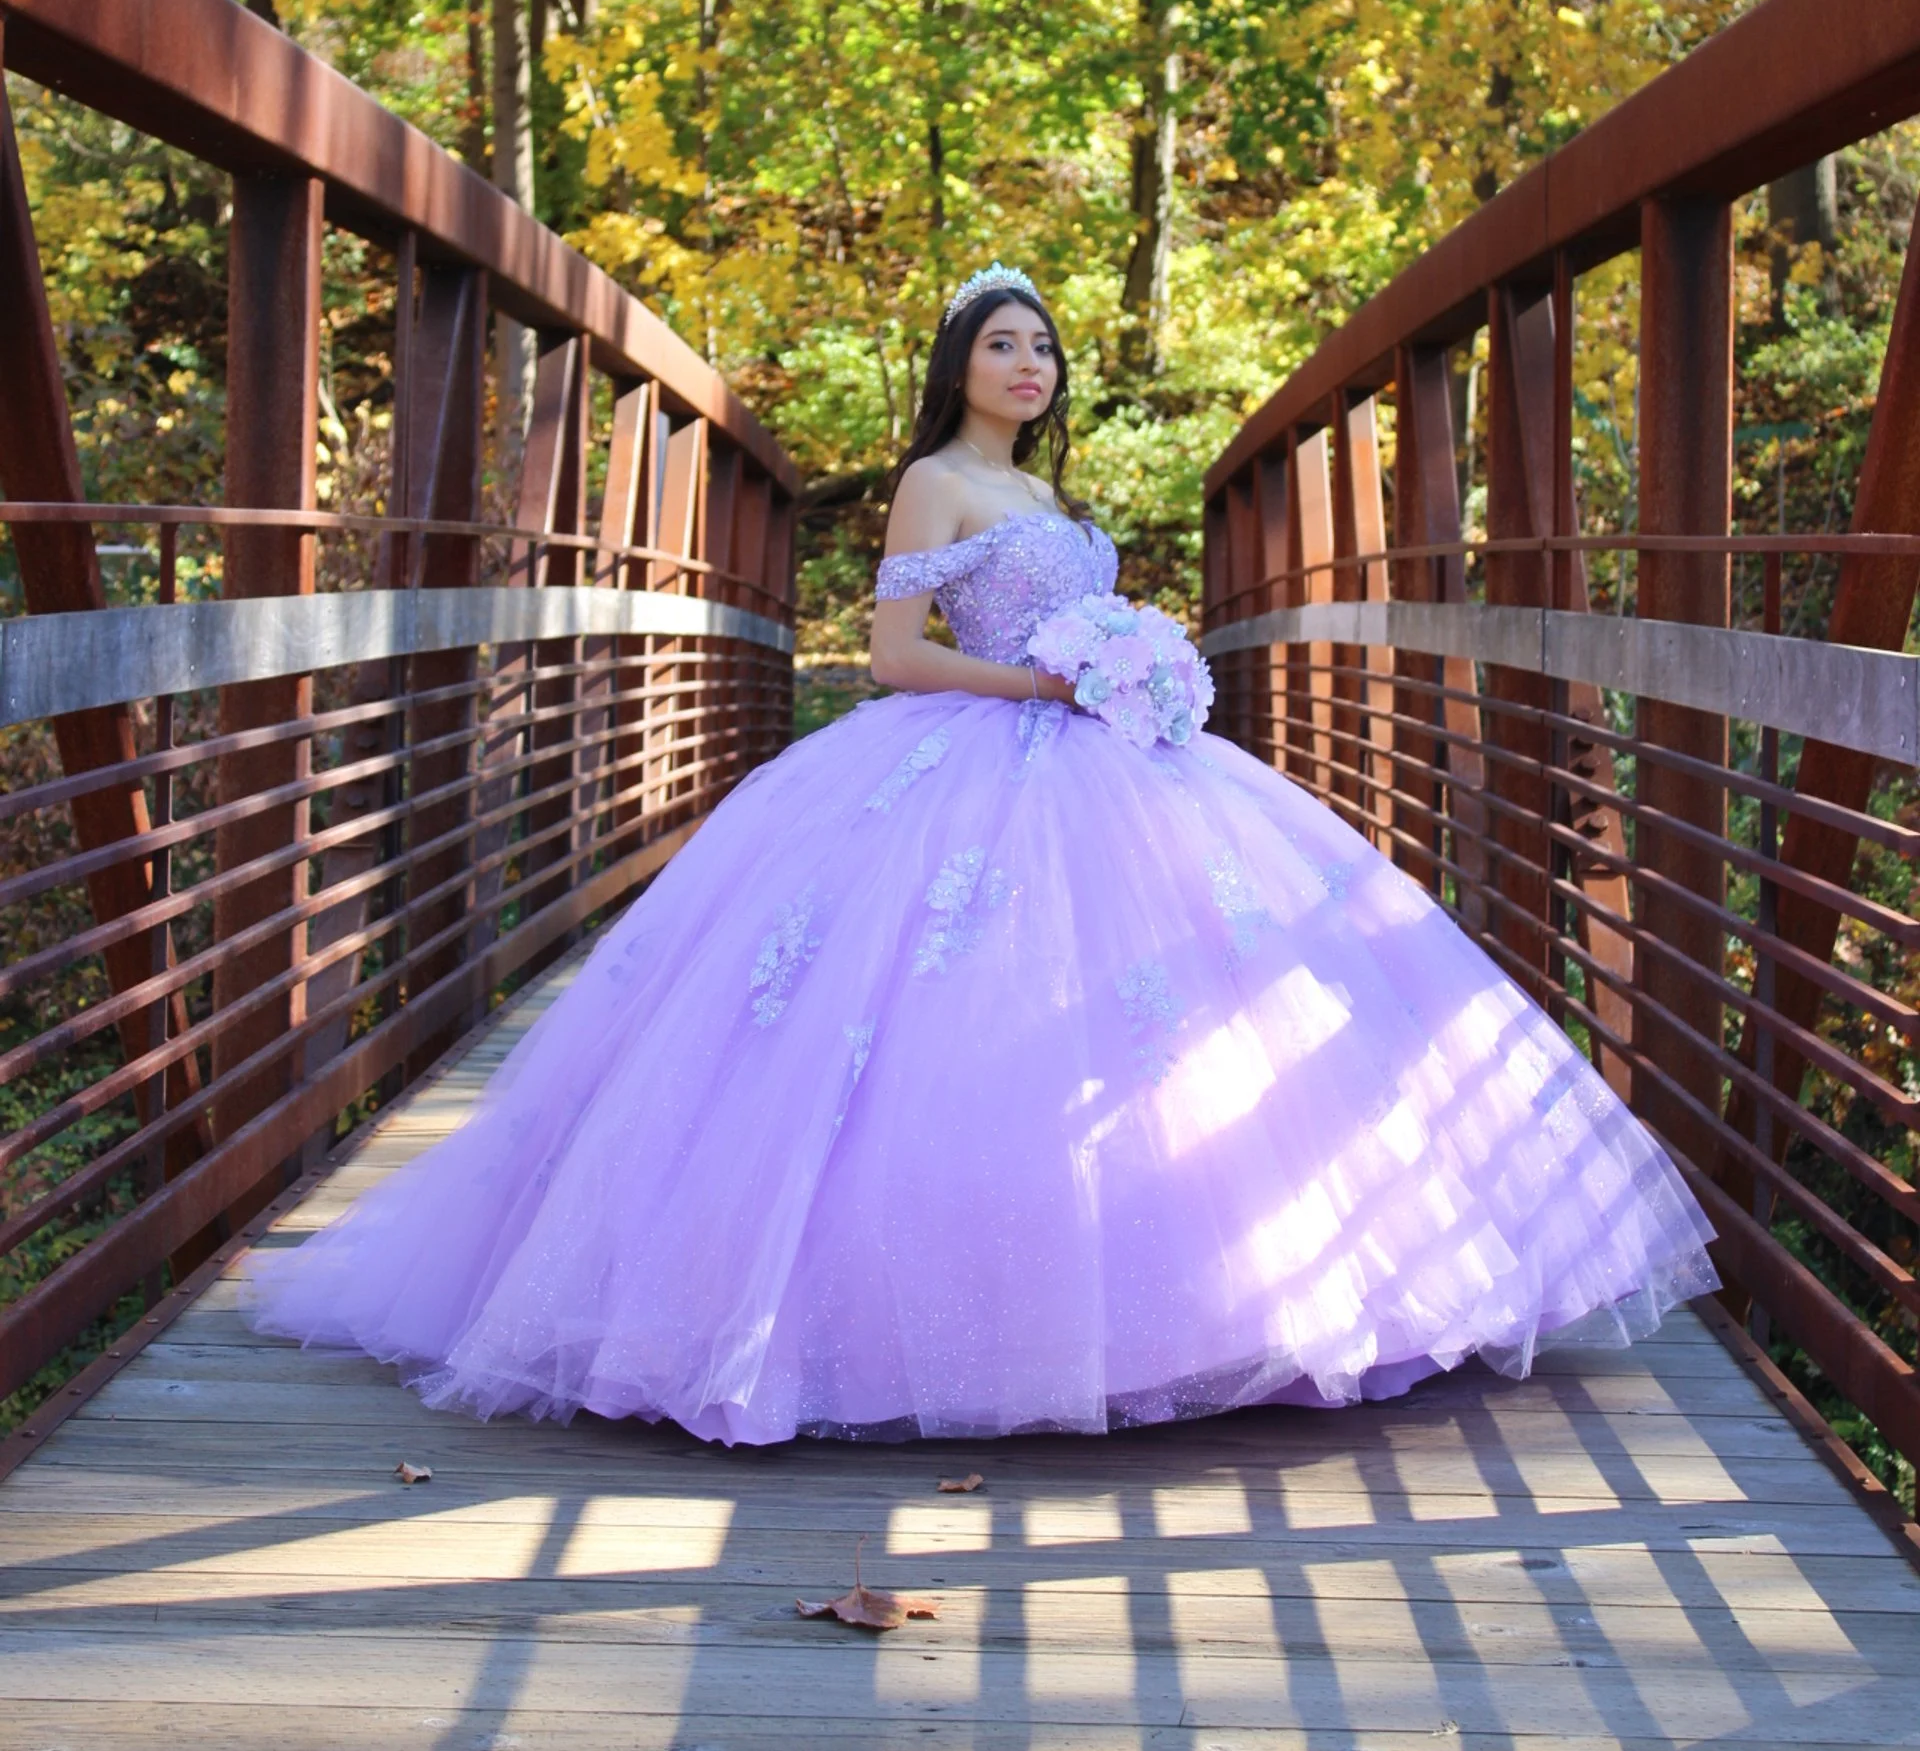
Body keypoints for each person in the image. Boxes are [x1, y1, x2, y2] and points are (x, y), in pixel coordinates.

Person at [248, 261, 1715, 1442]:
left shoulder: (1053, 500)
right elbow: (892, 657)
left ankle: (1253, 1292)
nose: (1032, 367)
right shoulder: (940, 486)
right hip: (975, 757)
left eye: (1046, 351)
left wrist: (1129, 665)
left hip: (1109, 770)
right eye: (1006, 346)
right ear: (960, 365)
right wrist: (1044, 683)